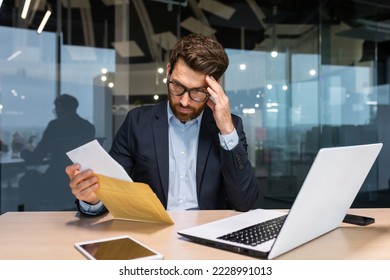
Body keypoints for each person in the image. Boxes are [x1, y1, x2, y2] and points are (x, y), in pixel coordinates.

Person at [66, 33, 259, 215]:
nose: (184, 101)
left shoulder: (231, 127)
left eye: (198, 92)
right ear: (168, 71)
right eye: (177, 86)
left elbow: (245, 202)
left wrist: (226, 130)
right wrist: (92, 199)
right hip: (153, 234)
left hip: (207, 236)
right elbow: (111, 190)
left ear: (214, 87)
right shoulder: (137, 122)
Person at [19, 94, 96, 210]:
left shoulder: (55, 126)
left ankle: (29, 217)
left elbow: (37, 157)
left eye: (56, 108)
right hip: (81, 180)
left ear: (60, 107)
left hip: (55, 180)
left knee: (26, 180)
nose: (55, 111)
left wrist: (23, 152)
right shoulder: (88, 126)